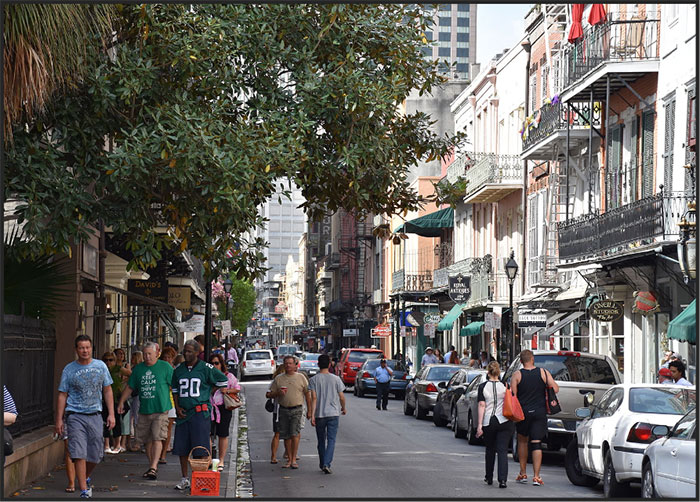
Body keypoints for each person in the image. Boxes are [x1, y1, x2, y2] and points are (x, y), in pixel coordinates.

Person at [55, 335, 115, 499]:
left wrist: (111, 414)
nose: (85, 351)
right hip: (75, 415)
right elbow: (62, 394)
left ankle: (85, 476)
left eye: (87, 347)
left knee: (96, 454)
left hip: (95, 414)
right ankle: (83, 490)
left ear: (91, 348)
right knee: (79, 452)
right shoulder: (69, 369)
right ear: (76, 350)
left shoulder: (101, 366)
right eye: (81, 348)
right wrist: (59, 419)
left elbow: (107, 390)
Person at [171, 339, 229, 490]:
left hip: (199, 412)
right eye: (185, 351)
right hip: (184, 413)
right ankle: (184, 478)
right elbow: (175, 390)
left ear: (197, 352)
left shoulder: (206, 368)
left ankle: (201, 478)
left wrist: (209, 390)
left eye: (190, 351)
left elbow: (223, 380)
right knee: (182, 447)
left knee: (201, 446)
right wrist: (177, 407)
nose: (187, 354)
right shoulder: (179, 370)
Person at [117, 342, 174, 481]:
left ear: (156, 353)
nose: (147, 357)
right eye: (145, 354)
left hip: (160, 409)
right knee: (146, 440)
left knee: (157, 437)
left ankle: (154, 467)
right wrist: (121, 402)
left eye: (150, 354)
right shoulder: (138, 369)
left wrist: (177, 404)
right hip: (144, 410)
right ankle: (151, 466)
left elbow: (175, 385)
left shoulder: (165, 367)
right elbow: (130, 387)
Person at [510, 349, 559, 487]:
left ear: (520, 361)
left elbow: (513, 395)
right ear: (532, 359)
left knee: (522, 441)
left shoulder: (517, 375)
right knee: (537, 443)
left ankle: (523, 473)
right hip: (539, 412)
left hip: (523, 413)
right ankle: (537, 477)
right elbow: (555, 388)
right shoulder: (543, 373)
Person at [269, 355, 312, 469]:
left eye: (290, 363)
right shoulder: (279, 378)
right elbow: (269, 394)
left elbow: (307, 394)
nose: (288, 365)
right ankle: (289, 458)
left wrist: (310, 411)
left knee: (295, 434)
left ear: (295, 365)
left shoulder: (301, 377)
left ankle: (293, 459)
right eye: (286, 363)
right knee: (286, 436)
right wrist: (278, 393)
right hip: (283, 409)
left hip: (297, 409)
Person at [476, 361, 514, 489]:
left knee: (490, 449)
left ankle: (489, 476)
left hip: (489, 420)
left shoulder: (482, 387)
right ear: (499, 372)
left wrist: (479, 425)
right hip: (504, 420)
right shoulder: (505, 386)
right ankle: (502, 480)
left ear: (488, 372)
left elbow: (482, 405)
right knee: (502, 451)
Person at [308, 354, 346, 474]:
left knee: (321, 440)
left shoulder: (313, 380)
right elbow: (341, 396)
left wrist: (312, 415)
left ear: (318, 364)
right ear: (329, 364)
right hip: (333, 413)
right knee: (331, 440)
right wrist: (343, 408)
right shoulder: (336, 379)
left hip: (320, 414)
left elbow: (313, 398)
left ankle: (322, 462)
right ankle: (326, 463)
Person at [208, 353, 241, 472]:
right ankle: (209, 458)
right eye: (211, 363)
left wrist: (226, 390)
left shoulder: (228, 376)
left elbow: (237, 388)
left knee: (223, 434)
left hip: (223, 408)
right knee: (208, 434)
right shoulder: (207, 376)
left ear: (221, 364)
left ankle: (221, 460)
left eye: (216, 363)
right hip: (210, 408)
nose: (214, 365)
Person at [101, 352, 128, 455]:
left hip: (116, 398)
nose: (108, 362)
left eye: (111, 360)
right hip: (103, 398)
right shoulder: (102, 369)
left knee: (116, 421)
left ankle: (117, 445)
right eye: (106, 360)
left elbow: (131, 375)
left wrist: (123, 383)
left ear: (115, 360)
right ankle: (106, 445)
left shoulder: (118, 369)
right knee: (104, 421)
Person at [158, 346, 178, 464]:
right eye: (164, 357)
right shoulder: (159, 369)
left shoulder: (174, 371)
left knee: (168, 429)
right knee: (158, 428)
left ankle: (163, 454)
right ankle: (159, 452)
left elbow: (174, 386)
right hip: (159, 401)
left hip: (170, 401)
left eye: (169, 357)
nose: (166, 359)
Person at [266, 365, 286, 464]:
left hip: (287, 409)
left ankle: (288, 454)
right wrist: (278, 393)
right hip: (278, 410)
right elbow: (268, 394)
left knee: (290, 434)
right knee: (278, 433)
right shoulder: (275, 381)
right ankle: (273, 456)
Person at [127, 351, 143, 452]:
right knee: (131, 417)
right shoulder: (134, 368)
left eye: (133, 357)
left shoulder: (138, 369)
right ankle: (134, 441)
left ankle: (138, 441)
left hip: (136, 395)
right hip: (132, 394)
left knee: (136, 418)